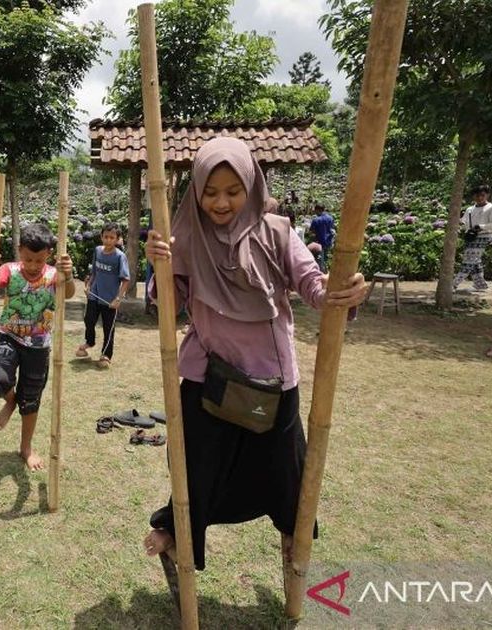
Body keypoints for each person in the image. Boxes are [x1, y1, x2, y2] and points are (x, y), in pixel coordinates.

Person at [139, 137, 370, 570]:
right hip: (209, 377)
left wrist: (344, 292)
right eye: (210, 192)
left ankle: (292, 537)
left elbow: (313, 286)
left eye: (232, 191)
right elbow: (170, 305)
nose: (220, 202)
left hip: (271, 380)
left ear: (252, 185)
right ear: (197, 191)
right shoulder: (184, 237)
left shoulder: (278, 231)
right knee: (195, 466)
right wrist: (160, 266)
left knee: (286, 471)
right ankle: (176, 535)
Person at [0, 223, 75, 471]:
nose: (33, 266)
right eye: (28, 259)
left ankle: (26, 448)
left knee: (31, 401)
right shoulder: (8, 270)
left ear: (49, 255)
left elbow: (67, 294)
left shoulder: (54, 275)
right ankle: (10, 402)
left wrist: (69, 275)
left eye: (39, 260)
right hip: (9, 338)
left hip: (39, 347)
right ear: (19, 251)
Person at [77, 223, 130, 368]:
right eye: (105, 237)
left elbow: (126, 280)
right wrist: (88, 287)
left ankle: (106, 355)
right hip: (94, 295)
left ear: (117, 239)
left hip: (110, 300)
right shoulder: (97, 251)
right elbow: (94, 271)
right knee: (89, 319)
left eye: (112, 238)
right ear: (101, 237)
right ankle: (90, 341)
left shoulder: (120, 257)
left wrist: (118, 299)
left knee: (108, 328)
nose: (108, 240)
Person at [454, 185, 492, 292]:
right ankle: (480, 284)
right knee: (475, 260)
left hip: (483, 235)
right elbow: (464, 221)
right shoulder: (470, 209)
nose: (480, 198)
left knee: (469, 260)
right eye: (477, 196)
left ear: (487, 195)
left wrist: (481, 227)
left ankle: (454, 283)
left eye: (482, 195)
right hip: (470, 236)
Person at [308, 204, 335, 272]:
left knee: (320, 261)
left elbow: (311, 232)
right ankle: (327, 272)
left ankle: (322, 274)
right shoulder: (330, 218)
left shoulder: (316, 220)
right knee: (325, 259)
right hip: (328, 242)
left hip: (319, 243)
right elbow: (331, 229)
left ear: (317, 210)